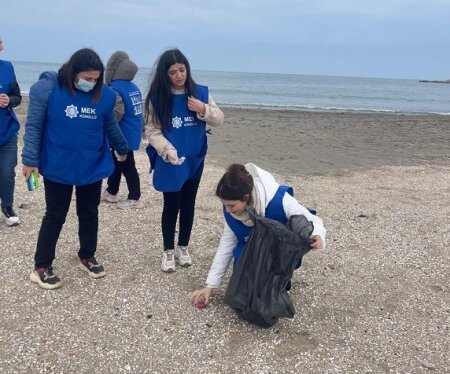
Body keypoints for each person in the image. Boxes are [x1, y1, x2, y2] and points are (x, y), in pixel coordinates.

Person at [22, 48, 129, 290]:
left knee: (89, 212)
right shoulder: (48, 90)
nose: (91, 83)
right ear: (73, 72)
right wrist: (30, 160)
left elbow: (110, 125)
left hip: (92, 164)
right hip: (58, 163)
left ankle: (87, 255)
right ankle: (41, 266)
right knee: (55, 214)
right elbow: (34, 127)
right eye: (87, 78)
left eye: (95, 79)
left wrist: (122, 149)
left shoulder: (105, 96)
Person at [191, 163, 326, 306]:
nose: (228, 210)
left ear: (246, 198)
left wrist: (319, 236)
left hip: (279, 247)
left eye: (231, 205)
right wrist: (210, 286)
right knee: (245, 280)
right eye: (224, 204)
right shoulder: (231, 211)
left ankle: (280, 281)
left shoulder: (278, 199)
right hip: (251, 245)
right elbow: (226, 245)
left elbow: (312, 219)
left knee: (266, 281)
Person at [144, 48, 224, 272]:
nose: (179, 75)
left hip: (195, 159)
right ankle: (168, 251)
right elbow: (152, 130)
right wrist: (166, 150)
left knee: (189, 203)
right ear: (164, 74)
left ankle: (183, 247)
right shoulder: (157, 98)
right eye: (173, 72)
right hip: (171, 160)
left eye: (182, 70)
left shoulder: (199, 92)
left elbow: (219, 119)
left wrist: (203, 109)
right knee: (172, 205)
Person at [103, 51, 144, 209]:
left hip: (121, 134)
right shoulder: (134, 87)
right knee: (118, 163)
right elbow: (139, 110)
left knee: (127, 166)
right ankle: (111, 191)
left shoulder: (114, 88)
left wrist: (104, 124)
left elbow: (117, 112)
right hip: (133, 132)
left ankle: (135, 197)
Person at [0, 35, 22, 226]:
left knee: (7, 171)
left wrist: (9, 101)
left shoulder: (7, 67)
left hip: (7, 131)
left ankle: (7, 206)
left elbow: (17, 96)